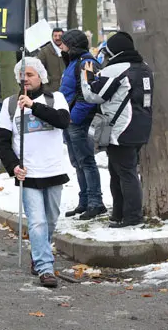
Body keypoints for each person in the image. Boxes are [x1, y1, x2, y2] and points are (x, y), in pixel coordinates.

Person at [0, 56, 70, 289]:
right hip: (28, 174)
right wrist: (13, 166)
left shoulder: (55, 98)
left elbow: (62, 121)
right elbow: (2, 141)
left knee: (50, 220)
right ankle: (45, 268)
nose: (25, 79)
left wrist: (33, 106)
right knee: (37, 222)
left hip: (53, 170)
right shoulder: (9, 105)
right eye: (22, 75)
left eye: (30, 75)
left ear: (40, 77)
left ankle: (39, 254)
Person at [80, 32, 154, 228]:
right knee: (119, 171)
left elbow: (94, 96)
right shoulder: (145, 67)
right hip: (141, 127)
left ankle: (132, 218)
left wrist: (86, 77)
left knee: (125, 173)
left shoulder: (115, 69)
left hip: (121, 129)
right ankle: (119, 214)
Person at [58, 30, 105, 220]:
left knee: (86, 161)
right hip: (70, 119)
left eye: (64, 43)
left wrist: (73, 117)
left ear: (73, 44)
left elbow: (89, 95)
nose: (61, 46)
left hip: (78, 120)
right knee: (77, 163)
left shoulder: (87, 63)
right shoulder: (72, 62)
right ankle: (84, 201)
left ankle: (96, 202)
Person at [37, 28, 66, 93]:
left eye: (60, 36)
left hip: (66, 88)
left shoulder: (68, 49)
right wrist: (47, 78)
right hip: (50, 88)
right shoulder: (44, 51)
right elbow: (38, 66)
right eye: (55, 36)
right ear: (52, 37)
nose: (57, 38)